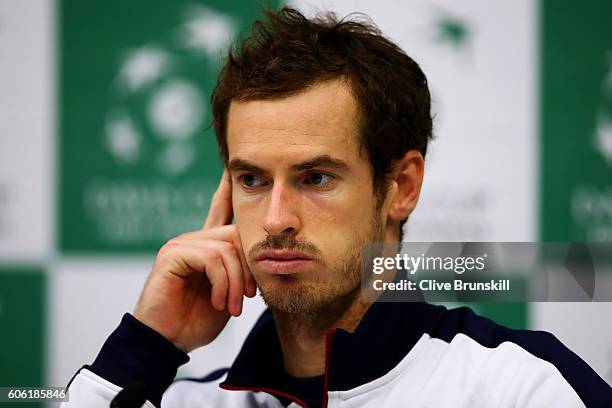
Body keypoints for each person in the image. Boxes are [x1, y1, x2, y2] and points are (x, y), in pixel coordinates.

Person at [61, 7, 611, 408]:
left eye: (316, 177)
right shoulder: (181, 403)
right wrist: (146, 346)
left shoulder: (522, 388)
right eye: (251, 179)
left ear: (400, 186)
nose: (276, 219)